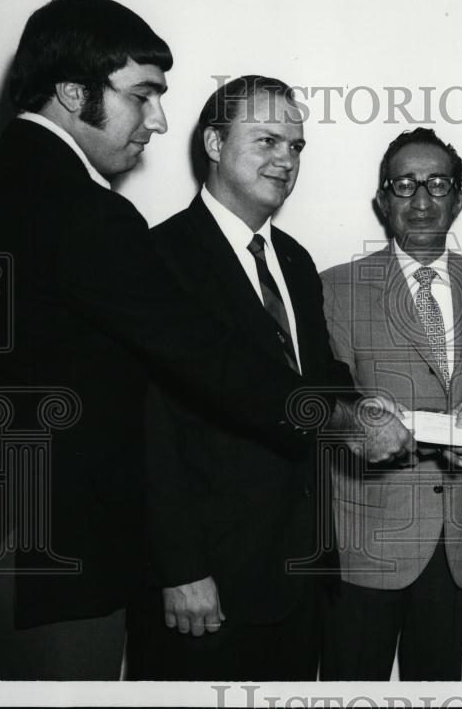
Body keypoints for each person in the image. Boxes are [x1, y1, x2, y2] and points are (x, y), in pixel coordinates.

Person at [0, 0, 411, 680]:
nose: (158, 119)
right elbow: (207, 366)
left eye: (296, 146)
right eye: (143, 96)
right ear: (74, 92)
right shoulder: (93, 216)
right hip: (57, 563)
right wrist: (343, 419)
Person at [134, 75, 352, 680]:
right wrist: (180, 569)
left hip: (300, 573)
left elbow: (316, 382)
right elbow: (150, 425)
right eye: (266, 141)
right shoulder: (159, 258)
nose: (286, 159)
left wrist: (366, 410)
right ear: (212, 142)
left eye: (297, 146)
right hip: (207, 587)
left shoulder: (298, 262)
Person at [318, 128, 462, 680]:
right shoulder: (334, 289)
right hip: (366, 545)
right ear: (382, 200)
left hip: (460, 544)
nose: (421, 201)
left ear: (459, 199)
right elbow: (325, 409)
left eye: (437, 184)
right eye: (404, 186)